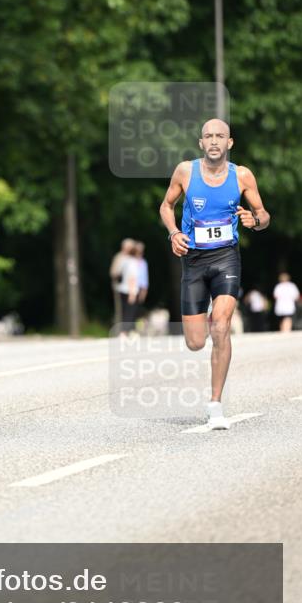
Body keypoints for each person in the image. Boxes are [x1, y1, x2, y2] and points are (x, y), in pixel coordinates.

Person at [160, 119, 270, 430]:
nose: (213, 141)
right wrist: (173, 233)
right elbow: (166, 206)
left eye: (219, 136)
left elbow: (264, 216)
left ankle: (215, 405)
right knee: (196, 342)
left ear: (229, 143)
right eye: (208, 136)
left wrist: (255, 220)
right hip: (194, 261)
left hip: (226, 259)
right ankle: (206, 335)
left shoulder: (243, 176)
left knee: (220, 325)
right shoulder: (185, 171)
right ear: (200, 143)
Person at [117, 241, 140, 334]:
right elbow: (132, 277)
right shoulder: (133, 262)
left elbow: (119, 273)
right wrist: (132, 293)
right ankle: (125, 331)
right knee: (130, 312)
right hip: (130, 290)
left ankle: (124, 331)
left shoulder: (124, 260)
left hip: (122, 289)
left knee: (124, 311)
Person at [109, 239, 135, 324]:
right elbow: (113, 272)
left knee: (129, 309)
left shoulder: (132, 258)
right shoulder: (119, 257)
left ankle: (126, 329)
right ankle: (120, 328)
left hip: (130, 287)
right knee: (120, 309)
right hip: (120, 287)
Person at [135, 241, 149, 306]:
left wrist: (144, 290)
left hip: (141, 288)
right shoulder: (130, 261)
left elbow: (145, 278)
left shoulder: (144, 262)